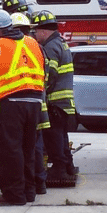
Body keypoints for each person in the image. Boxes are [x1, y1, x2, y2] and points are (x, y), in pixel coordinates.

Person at [0, 9, 45, 205]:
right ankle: (29, 191)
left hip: (9, 104)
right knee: (27, 149)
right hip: (35, 103)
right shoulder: (32, 43)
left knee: (9, 151)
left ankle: (14, 195)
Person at [32, 10, 77, 180]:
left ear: (43, 31)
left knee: (54, 137)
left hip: (55, 102)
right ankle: (68, 166)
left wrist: (40, 92)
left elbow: (49, 75)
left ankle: (59, 169)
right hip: (65, 102)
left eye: (36, 31)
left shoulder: (50, 47)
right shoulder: (61, 43)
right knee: (62, 136)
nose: (35, 35)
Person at [11, 12, 50, 194]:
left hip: (22, 105)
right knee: (35, 145)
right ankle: (39, 183)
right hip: (38, 103)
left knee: (27, 147)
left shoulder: (18, 47)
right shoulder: (37, 46)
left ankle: (32, 184)